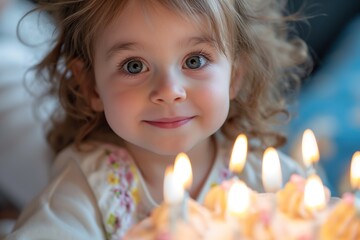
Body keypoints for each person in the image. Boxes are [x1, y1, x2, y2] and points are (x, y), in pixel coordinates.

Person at [6, 0, 310, 239]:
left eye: (195, 60)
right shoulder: (89, 187)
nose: (168, 91)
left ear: (235, 75)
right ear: (90, 86)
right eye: (134, 66)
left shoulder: (262, 174)